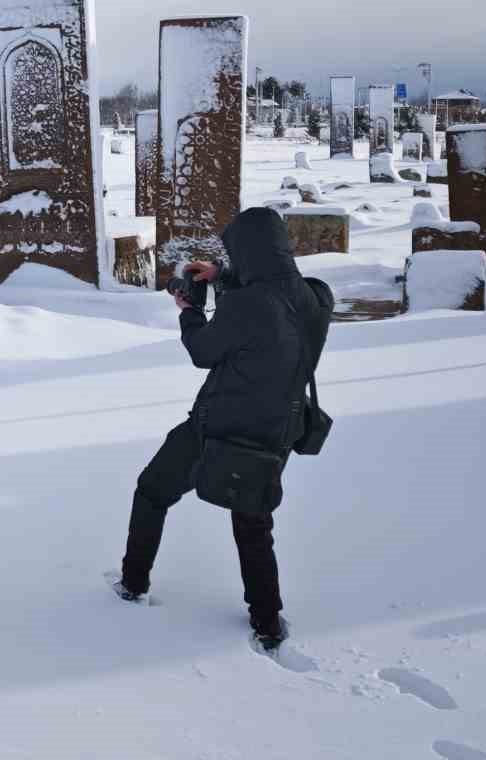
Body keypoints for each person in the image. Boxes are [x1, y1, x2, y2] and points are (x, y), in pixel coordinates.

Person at [114, 207, 333, 648]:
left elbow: (203, 350)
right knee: (253, 524)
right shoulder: (316, 298)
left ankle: (133, 583)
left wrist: (190, 309)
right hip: (276, 431)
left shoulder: (250, 304)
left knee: (152, 491)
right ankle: (267, 623)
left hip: (216, 428)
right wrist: (221, 276)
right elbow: (271, 302)